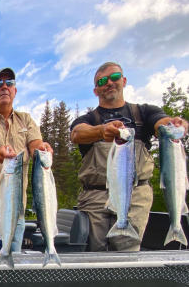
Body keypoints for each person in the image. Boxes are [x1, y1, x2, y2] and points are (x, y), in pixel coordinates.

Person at [70, 61, 188, 252]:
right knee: (93, 251)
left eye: (115, 77)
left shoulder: (144, 112)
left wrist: (174, 126)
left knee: (126, 251)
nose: (109, 83)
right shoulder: (89, 119)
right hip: (95, 196)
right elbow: (77, 133)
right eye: (102, 81)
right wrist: (102, 131)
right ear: (95, 90)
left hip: (135, 194)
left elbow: (162, 123)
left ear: (124, 81)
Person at [0, 67, 52, 252]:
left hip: (16, 211)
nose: (4, 87)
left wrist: (43, 149)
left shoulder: (26, 120)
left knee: (11, 268)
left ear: (15, 91)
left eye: (9, 83)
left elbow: (36, 147)